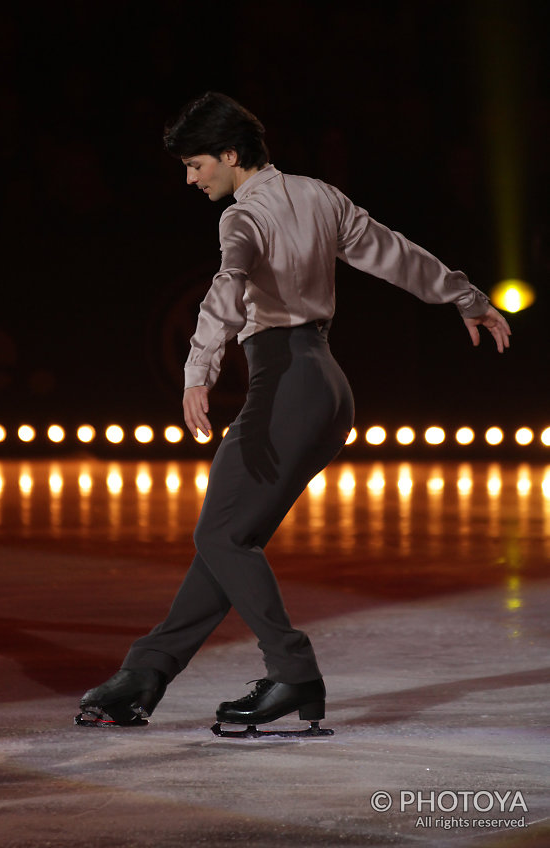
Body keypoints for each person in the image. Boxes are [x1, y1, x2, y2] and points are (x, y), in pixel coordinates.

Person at [78, 91, 511, 730]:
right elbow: (396, 253)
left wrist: (199, 369)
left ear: (230, 154)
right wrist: (465, 295)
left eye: (197, 165)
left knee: (221, 535)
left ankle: (292, 671)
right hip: (328, 389)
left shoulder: (241, 217)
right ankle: (146, 672)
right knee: (230, 541)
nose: (191, 179)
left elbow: (227, 284)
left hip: (283, 387)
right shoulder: (322, 196)